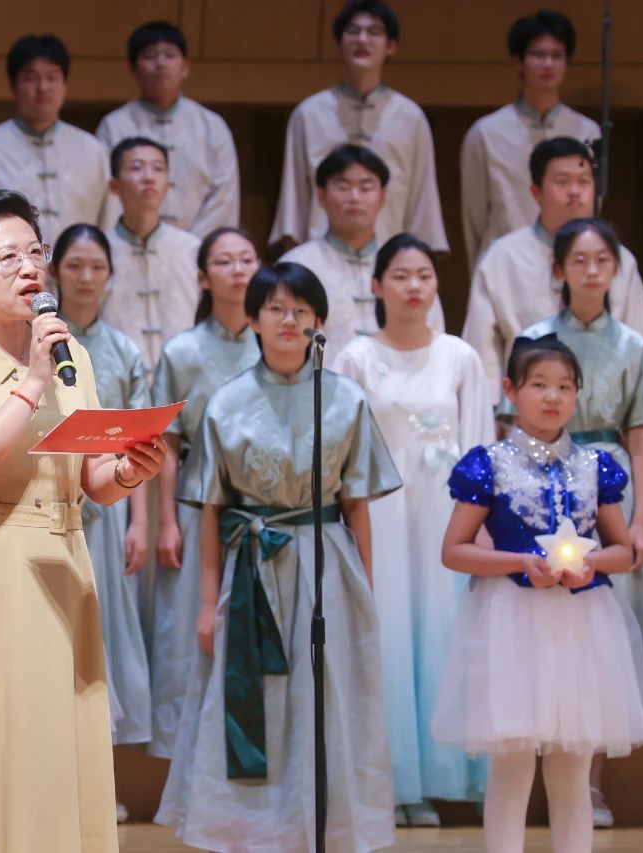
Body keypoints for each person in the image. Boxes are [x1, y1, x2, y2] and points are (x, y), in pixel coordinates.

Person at [0, 189, 165, 851]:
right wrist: (33, 382)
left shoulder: (71, 354)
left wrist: (130, 470)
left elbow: (91, 479)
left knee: (55, 751)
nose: (29, 269)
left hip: (62, 570)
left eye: (35, 252)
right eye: (8, 257)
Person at [156, 261, 400, 852]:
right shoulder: (226, 401)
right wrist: (208, 604)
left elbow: (357, 504)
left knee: (325, 698)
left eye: (301, 310)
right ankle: (252, 830)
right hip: (252, 565)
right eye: (275, 309)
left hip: (326, 561)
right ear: (255, 319)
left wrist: (365, 588)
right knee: (258, 697)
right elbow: (210, 510)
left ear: (319, 321)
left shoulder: (345, 399)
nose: (288, 321)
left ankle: (324, 828)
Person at [432, 335, 643, 853]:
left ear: (577, 394)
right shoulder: (489, 463)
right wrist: (521, 563)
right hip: (512, 620)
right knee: (511, 763)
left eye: (565, 387)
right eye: (539, 385)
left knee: (573, 766)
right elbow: (454, 550)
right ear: (511, 390)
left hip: (580, 622)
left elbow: (623, 551)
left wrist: (590, 564)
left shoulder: (594, 465)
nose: (553, 397)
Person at [508, 217, 643, 827]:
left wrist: (641, 517)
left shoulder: (632, 345)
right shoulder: (535, 337)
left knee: (604, 635)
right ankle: (535, 778)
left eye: (603, 260)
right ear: (559, 269)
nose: (592, 270)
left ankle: (590, 782)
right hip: (541, 477)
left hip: (607, 478)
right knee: (544, 624)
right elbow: (509, 425)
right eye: (580, 259)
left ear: (617, 269)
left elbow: (641, 435)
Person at [334, 234, 494, 825]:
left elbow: (479, 446)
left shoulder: (460, 357)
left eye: (424, 275)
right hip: (379, 514)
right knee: (390, 636)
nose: (414, 287)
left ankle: (455, 777)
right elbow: (342, 445)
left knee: (444, 632)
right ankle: (396, 785)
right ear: (376, 286)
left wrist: (479, 526)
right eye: (400, 276)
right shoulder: (355, 357)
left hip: (446, 518)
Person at [149, 226, 261, 761]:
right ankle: (189, 759)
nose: (238, 270)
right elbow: (167, 444)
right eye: (224, 261)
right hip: (198, 500)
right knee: (192, 630)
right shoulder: (182, 351)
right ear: (202, 277)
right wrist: (167, 521)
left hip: (264, 503)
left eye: (247, 260)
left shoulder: (275, 344)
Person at [51, 223, 153, 761]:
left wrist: (141, 521)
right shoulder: (38, 342)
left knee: (102, 621)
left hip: (108, 501)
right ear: (55, 272)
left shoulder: (123, 349)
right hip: (48, 496)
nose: (86, 277)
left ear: (111, 274)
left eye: (97, 267)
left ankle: (97, 763)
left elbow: (142, 440)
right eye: (75, 265)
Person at [462, 136, 643, 392]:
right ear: (536, 192)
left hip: (605, 405)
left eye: (584, 181)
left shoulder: (619, 259)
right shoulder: (502, 258)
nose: (575, 192)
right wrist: (492, 407)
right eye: (562, 181)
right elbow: (483, 352)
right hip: (527, 403)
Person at [270, 0, 447, 253]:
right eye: (353, 31)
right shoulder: (308, 114)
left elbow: (423, 204)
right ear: (339, 43)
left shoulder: (410, 118)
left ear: (391, 46)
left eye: (373, 32)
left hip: (389, 256)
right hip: (320, 255)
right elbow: (293, 202)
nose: (362, 39)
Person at [460, 10, 599, 270]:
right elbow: (474, 220)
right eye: (538, 55)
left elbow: (590, 210)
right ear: (518, 62)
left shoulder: (588, 132)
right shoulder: (486, 133)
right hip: (506, 268)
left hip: (571, 267)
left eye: (557, 55)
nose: (548, 64)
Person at [283, 143, 444, 365]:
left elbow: (434, 332)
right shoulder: (297, 265)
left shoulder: (407, 266)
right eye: (343, 187)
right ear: (321, 196)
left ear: (383, 196)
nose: (355, 197)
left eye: (366, 188)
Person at [0, 34, 109, 245]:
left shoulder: (92, 150)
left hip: (80, 264)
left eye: (52, 77)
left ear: (65, 85)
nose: (42, 87)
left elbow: (109, 223)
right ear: (13, 85)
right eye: (31, 78)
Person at [95, 20, 239, 237]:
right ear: (133, 70)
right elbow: (109, 193)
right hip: (129, 241)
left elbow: (223, 199)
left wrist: (191, 246)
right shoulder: (114, 126)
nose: (160, 63)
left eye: (170, 55)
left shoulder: (212, 126)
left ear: (185, 67)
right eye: (150, 56)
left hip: (199, 247)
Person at [100, 136, 200, 370]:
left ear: (168, 184)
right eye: (136, 168)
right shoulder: (98, 251)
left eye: (158, 168)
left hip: (180, 376)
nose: (149, 177)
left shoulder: (192, 249)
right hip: (115, 375)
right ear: (114, 186)